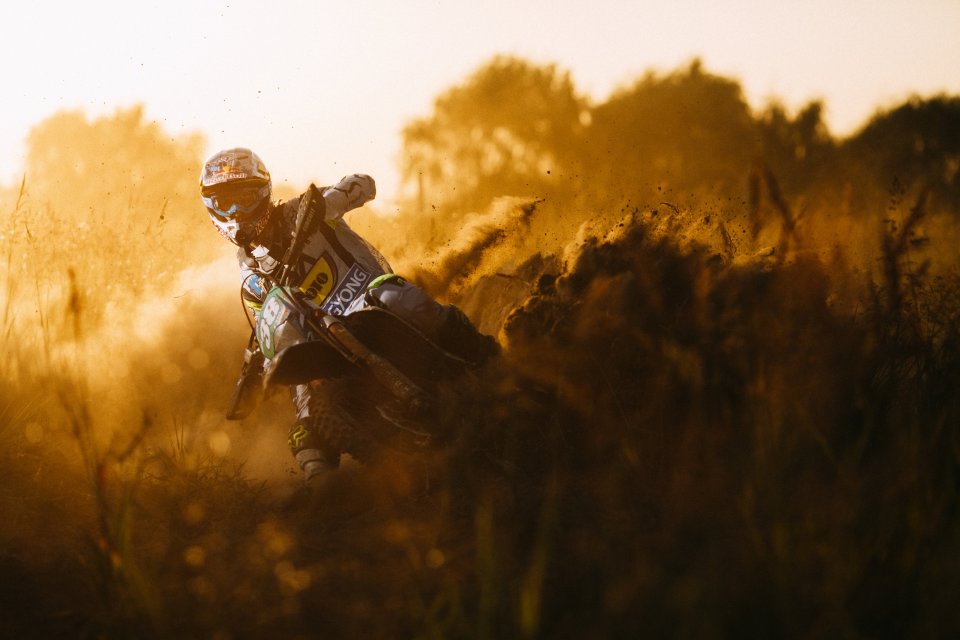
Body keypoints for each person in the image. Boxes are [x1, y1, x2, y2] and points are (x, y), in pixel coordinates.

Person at [199, 147, 496, 484]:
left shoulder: (302, 211)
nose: (238, 211)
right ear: (212, 209)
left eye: (246, 198)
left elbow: (364, 184)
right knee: (304, 415)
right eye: (226, 204)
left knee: (396, 295)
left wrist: (336, 196)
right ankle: (324, 489)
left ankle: (485, 354)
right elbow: (269, 322)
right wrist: (260, 363)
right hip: (323, 342)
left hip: (368, 303)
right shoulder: (248, 274)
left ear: (264, 194)